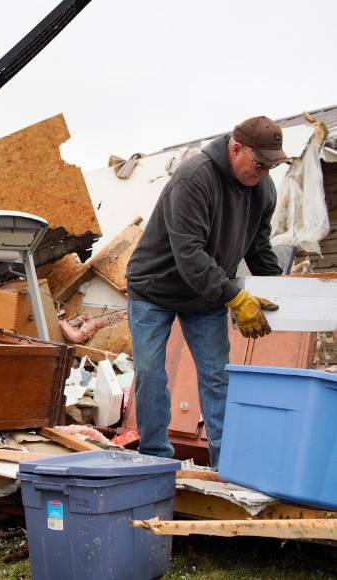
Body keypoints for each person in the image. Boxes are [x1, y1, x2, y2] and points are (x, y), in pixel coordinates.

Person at [126, 116, 288, 467]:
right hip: (155, 288)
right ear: (235, 148)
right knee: (152, 374)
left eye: (270, 167)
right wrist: (235, 297)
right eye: (259, 164)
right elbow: (190, 255)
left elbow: (258, 249)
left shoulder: (263, 190)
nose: (262, 173)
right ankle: (155, 460)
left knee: (217, 378)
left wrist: (281, 291)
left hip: (206, 294)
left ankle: (226, 464)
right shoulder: (194, 177)